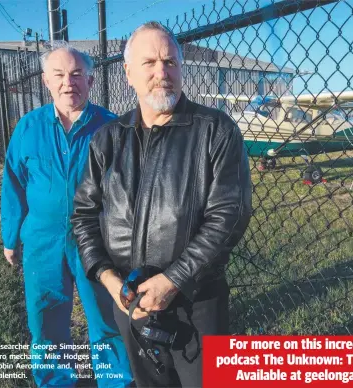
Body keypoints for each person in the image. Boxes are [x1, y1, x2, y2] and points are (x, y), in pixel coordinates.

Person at [71, 21, 252, 387]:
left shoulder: (215, 130)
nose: (162, 73)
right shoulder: (107, 140)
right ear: (129, 74)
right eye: (150, 63)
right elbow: (84, 214)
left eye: (170, 62)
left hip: (196, 301)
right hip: (129, 301)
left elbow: (230, 214)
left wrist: (173, 280)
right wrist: (108, 280)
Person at [1, 41, 133, 386]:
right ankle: (57, 380)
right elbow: (13, 183)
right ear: (46, 81)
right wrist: (10, 238)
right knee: (46, 316)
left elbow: (128, 190)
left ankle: (115, 380)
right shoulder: (28, 128)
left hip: (95, 240)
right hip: (42, 240)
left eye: (76, 74)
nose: (67, 82)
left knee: (106, 316)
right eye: (59, 74)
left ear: (90, 80)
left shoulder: (110, 127)